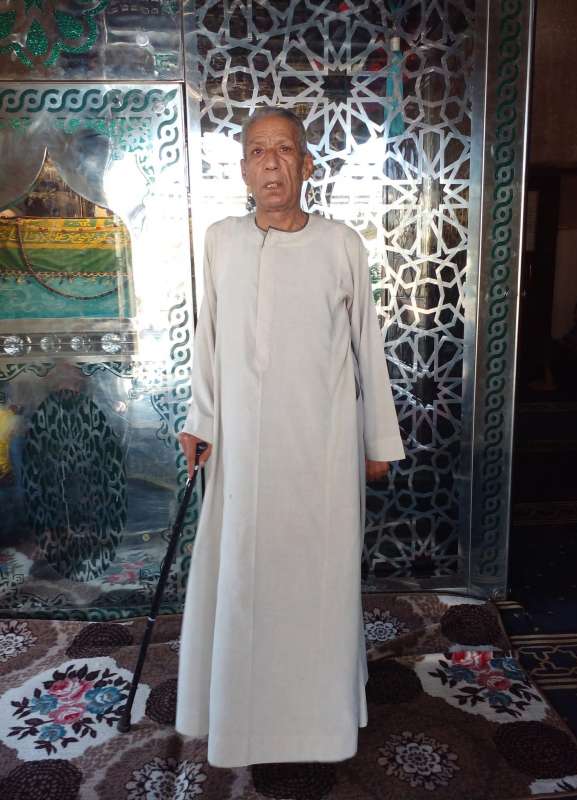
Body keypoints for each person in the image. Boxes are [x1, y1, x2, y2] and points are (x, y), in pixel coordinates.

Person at [175, 107, 405, 768]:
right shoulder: (221, 240)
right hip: (242, 453)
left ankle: (318, 727)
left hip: (321, 448)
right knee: (242, 582)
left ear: (306, 166)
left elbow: (367, 345)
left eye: (284, 150)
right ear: (243, 169)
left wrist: (377, 442)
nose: (270, 163)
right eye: (257, 151)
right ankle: (241, 722)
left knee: (317, 585)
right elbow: (208, 343)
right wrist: (200, 422)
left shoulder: (341, 244)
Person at [530, 301, 577, 395]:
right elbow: (566, 339)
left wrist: (569, 346)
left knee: (556, 352)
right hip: (575, 356)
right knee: (548, 344)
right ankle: (547, 380)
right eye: (575, 313)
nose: (575, 316)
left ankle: (550, 383)